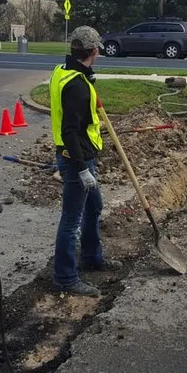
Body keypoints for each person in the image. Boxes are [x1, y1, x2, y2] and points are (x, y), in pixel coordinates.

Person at [48, 25, 122, 297]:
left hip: (82, 155)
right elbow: (70, 130)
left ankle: (91, 257)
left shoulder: (64, 71)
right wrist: (81, 169)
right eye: (98, 50)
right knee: (71, 220)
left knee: (94, 208)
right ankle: (65, 277)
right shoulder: (77, 85)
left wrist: (89, 79)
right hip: (75, 159)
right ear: (93, 51)